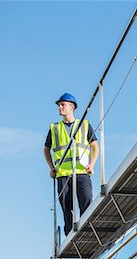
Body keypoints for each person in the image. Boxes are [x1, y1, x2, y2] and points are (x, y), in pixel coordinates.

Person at [44, 93, 99, 236]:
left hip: (81, 172)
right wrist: (51, 168)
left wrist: (92, 164)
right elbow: (46, 150)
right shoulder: (54, 128)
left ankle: (87, 231)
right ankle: (70, 235)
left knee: (86, 201)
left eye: (63, 104)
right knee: (66, 207)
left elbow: (95, 147)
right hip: (63, 174)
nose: (59, 107)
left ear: (72, 107)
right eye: (59, 105)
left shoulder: (84, 125)